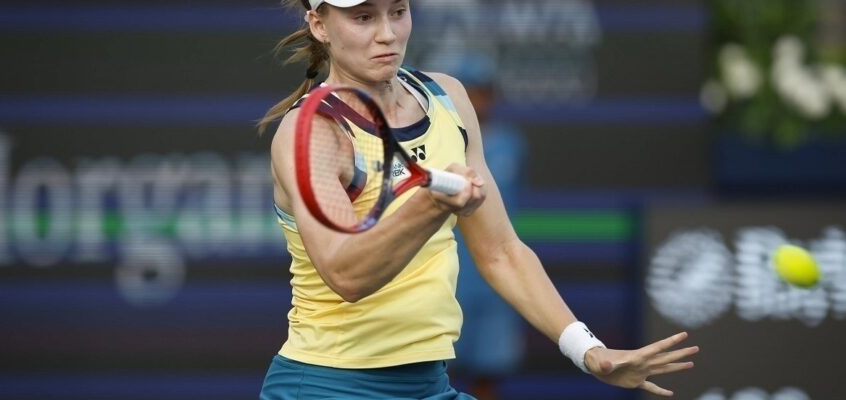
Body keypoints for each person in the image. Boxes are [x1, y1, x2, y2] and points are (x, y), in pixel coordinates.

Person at [258, 0, 699, 399]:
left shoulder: (448, 99)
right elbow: (345, 274)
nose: (387, 33)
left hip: (429, 385)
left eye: (398, 11)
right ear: (319, 24)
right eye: (363, 17)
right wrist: (430, 205)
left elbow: (501, 251)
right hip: (326, 385)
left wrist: (588, 350)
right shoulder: (312, 132)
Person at [448, 54, 526, 400]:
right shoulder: (440, 143)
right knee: (436, 371)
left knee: (490, 372)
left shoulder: (511, 143)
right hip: (450, 272)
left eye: (484, 92)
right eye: (469, 93)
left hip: (496, 279)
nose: (477, 101)